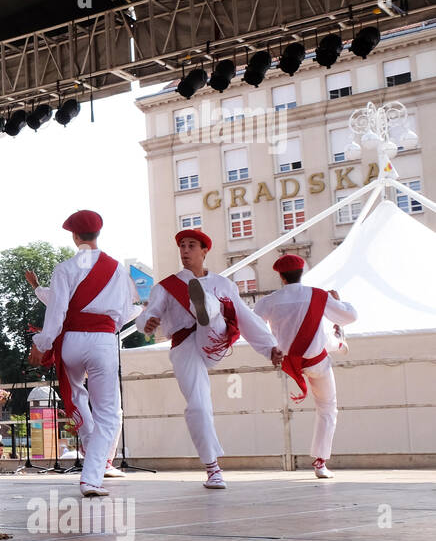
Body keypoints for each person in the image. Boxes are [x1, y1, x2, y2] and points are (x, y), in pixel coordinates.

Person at [137, 229, 283, 489]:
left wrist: (270, 346)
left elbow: (246, 317)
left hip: (215, 340)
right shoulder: (165, 286)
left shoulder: (224, 284)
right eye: (182, 245)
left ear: (204, 250)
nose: (184, 250)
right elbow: (147, 315)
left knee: (216, 314)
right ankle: (212, 468)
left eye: (191, 245)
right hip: (185, 346)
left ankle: (207, 306)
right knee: (198, 405)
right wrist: (146, 324)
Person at [27, 210, 140, 497]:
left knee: (77, 394)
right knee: (108, 413)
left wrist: (42, 345)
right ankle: (92, 476)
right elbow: (126, 313)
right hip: (102, 340)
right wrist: (106, 327)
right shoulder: (117, 269)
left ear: (75, 236)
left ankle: (91, 447)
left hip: (71, 341)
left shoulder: (65, 268)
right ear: (98, 234)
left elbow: (56, 313)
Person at [253, 254, 358, 479]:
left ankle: (336, 341)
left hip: (288, 360)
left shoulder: (269, 301)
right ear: (303, 272)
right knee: (327, 408)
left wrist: (270, 347)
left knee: (321, 337)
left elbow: (252, 326)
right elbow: (351, 316)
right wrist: (339, 301)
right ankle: (320, 462)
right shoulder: (317, 295)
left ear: (280, 277)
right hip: (316, 361)